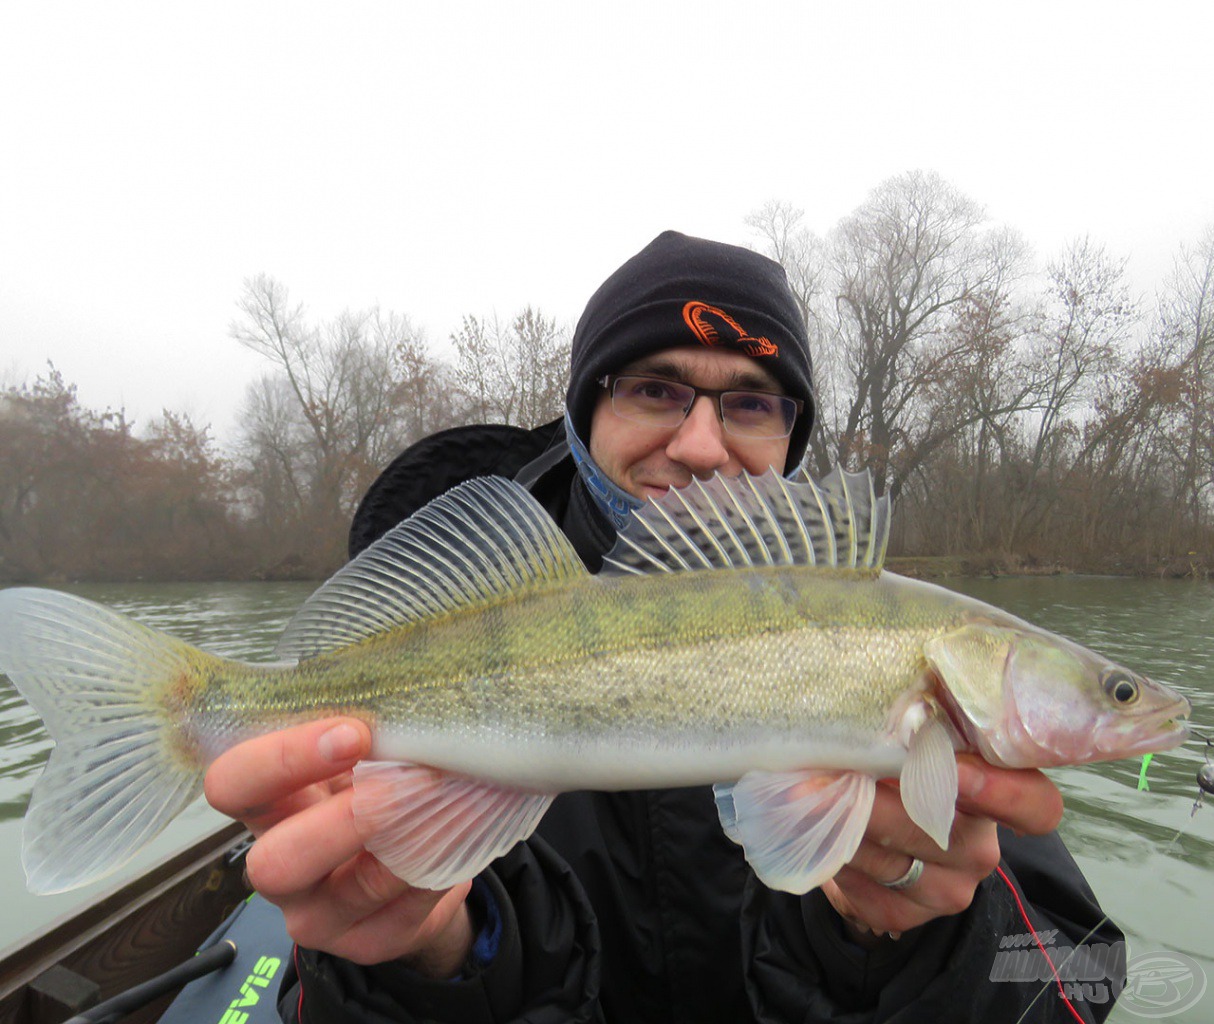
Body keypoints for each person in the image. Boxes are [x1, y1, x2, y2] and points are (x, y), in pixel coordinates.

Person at [204, 231, 1122, 1023]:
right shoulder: (468, 602)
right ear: (583, 411)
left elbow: (1085, 976)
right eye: (654, 389)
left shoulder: (931, 694)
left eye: (752, 403)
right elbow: (303, 996)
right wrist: (430, 954)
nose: (698, 445)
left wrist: (926, 935)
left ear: (791, 438)